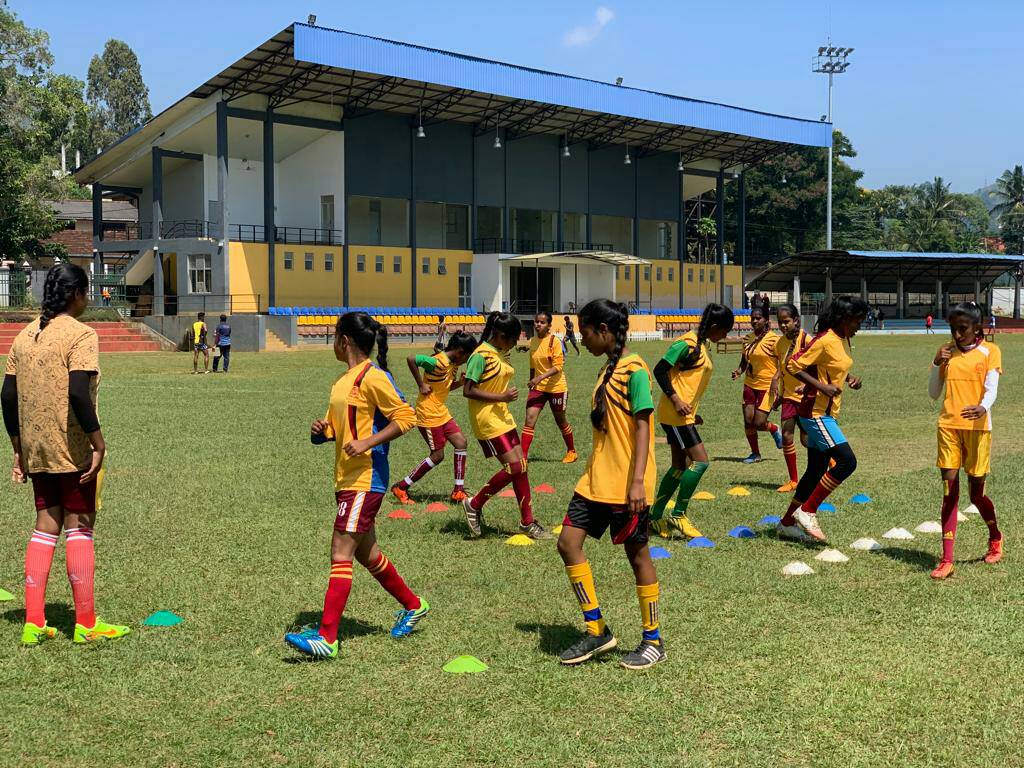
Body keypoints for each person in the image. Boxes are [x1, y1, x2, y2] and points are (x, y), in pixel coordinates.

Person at [284, 312, 426, 660]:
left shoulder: (373, 377)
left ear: (343, 340)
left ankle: (327, 638)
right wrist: (323, 432)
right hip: (346, 478)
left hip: (366, 478)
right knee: (367, 554)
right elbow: (338, 429)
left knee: (340, 551)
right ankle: (414, 605)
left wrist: (367, 442)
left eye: (334, 337)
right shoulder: (342, 382)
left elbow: (407, 416)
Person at [2, 263, 130, 646]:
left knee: (45, 525)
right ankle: (86, 624)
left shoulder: (24, 336)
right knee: (80, 525)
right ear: (76, 294)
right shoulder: (81, 334)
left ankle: (34, 621)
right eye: (86, 292)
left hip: (36, 448)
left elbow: (7, 396)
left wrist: (18, 447)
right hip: (71, 447)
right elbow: (77, 392)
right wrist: (98, 443)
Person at [555, 299, 664, 670]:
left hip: (626, 483)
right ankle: (596, 629)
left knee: (638, 556)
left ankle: (653, 640)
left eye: (585, 332)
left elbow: (643, 427)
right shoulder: (607, 369)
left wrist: (638, 482)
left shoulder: (635, 371)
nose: (581, 339)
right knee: (568, 543)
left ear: (603, 330)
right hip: (595, 481)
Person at [778, 296, 867, 543]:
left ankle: (786, 523)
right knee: (847, 462)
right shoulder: (825, 340)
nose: (859, 326)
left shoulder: (843, 338)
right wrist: (821, 387)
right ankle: (807, 511)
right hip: (815, 413)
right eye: (857, 321)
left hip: (827, 413)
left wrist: (849, 378)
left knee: (816, 470)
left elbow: (831, 365)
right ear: (844, 319)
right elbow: (793, 365)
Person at [927, 303, 1003, 580]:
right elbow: (934, 393)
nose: (957, 335)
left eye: (963, 329)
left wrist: (983, 407)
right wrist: (936, 363)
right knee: (949, 491)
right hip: (948, 426)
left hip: (978, 429)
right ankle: (947, 560)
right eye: (953, 329)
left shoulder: (990, 351)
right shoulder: (947, 352)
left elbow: (991, 388)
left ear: (977, 328)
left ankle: (995, 536)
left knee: (976, 495)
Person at [649, 303, 735, 540]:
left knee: (680, 465)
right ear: (714, 326)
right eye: (724, 331)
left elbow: (687, 380)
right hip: (675, 415)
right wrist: (677, 400)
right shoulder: (686, 343)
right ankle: (678, 514)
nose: (725, 336)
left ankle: (654, 516)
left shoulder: (701, 345)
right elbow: (659, 370)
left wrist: (692, 411)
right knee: (700, 461)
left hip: (683, 415)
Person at [461, 312, 550, 540]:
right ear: (500, 335)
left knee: (522, 466)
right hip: (487, 419)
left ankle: (527, 522)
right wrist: (502, 396)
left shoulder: (501, 352)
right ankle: (474, 503)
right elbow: (468, 390)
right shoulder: (480, 356)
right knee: (515, 466)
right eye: (512, 339)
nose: (514, 344)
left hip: (503, 416)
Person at [392, 331, 477, 505]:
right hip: (428, 414)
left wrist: (459, 383)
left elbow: (444, 387)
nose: (466, 361)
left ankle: (458, 491)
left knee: (461, 442)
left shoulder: (452, 364)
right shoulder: (438, 361)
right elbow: (411, 359)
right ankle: (401, 487)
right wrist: (421, 384)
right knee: (437, 456)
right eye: (467, 357)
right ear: (460, 351)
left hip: (440, 411)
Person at [522, 312, 577, 464]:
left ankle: (571, 451)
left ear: (549, 325)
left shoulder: (555, 341)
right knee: (529, 419)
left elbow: (558, 367)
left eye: (542, 322)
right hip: (538, 388)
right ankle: (523, 457)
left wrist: (539, 377)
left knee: (560, 420)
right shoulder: (533, 341)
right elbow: (532, 364)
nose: (538, 324)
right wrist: (532, 380)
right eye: (536, 321)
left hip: (556, 388)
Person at [731, 306, 782, 463]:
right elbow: (744, 361)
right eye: (752, 318)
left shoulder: (775, 339)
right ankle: (755, 454)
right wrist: (739, 371)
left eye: (758, 318)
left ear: (766, 320)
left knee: (759, 423)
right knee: (748, 421)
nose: (754, 321)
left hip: (767, 386)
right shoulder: (747, 339)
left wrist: (776, 379)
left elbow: (783, 362)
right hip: (750, 384)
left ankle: (774, 428)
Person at [773, 304, 811, 493]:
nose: (783, 325)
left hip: (806, 397)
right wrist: (779, 393)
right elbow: (782, 369)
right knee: (787, 436)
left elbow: (818, 366)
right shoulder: (779, 344)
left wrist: (807, 385)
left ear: (796, 320)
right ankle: (793, 480)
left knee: (807, 440)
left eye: (786, 321)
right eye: (780, 322)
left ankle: (829, 462)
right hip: (788, 396)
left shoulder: (807, 339)